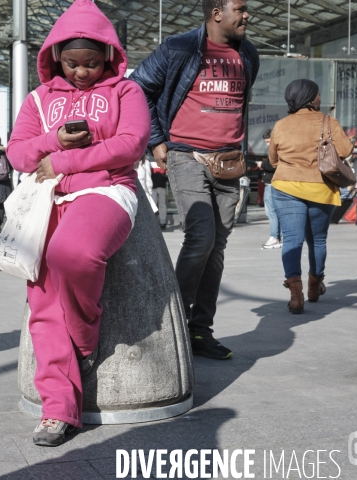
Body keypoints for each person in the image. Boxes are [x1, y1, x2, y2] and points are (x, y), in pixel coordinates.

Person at [6, 0, 150, 447]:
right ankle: (58, 412)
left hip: (107, 192)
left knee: (73, 253)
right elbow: (18, 152)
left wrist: (64, 159)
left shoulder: (127, 91)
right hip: (47, 200)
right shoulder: (38, 98)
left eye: (91, 63)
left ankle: (83, 341)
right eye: (71, 63)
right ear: (55, 57)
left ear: (109, 55)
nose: (82, 73)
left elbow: (131, 144)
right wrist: (53, 139)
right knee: (41, 298)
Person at [130, 0, 259, 360]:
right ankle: (170, 323)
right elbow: (137, 88)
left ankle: (200, 332)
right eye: (241, 8)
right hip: (186, 156)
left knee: (216, 246)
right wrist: (156, 140)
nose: (248, 15)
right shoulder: (180, 48)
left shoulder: (248, 53)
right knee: (201, 236)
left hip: (229, 161)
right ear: (217, 12)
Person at [269, 79, 353, 313]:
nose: (320, 98)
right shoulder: (328, 122)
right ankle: (314, 287)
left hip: (286, 187)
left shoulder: (281, 125)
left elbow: (273, 160)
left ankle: (296, 296)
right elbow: (346, 151)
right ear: (310, 98)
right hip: (320, 187)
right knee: (317, 240)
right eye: (318, 94)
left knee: (292, 240)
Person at [256, 129, 281, 249]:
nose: (267, 144)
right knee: (273, 212)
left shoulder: (276, 149)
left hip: (271, 183)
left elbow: (274, 166)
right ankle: (277, 236)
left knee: (271, 212)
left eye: (268, 141)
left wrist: (262, 165)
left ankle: (274, 237)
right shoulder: (279, 148)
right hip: (273, 182)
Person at [151, 155, 169, 229]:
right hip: (154, 187)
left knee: (161, 205)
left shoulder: (162, 161)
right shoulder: (150, 161)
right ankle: (154, 221)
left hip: (160, 186)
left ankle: (162, 221)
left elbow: (167, 174)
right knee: (154, 205)